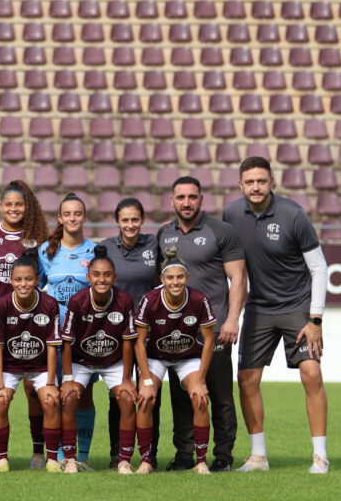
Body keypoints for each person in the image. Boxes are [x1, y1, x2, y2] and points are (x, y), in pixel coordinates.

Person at [223, 156, 329, 473]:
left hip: (298, 308)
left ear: (272, 182)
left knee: (311, 374)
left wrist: (316, 320)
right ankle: (258, 456)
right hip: (258, 308)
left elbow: (319, 268)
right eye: (250, 182)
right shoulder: (230, 214)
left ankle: (320, 456)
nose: (256, 187)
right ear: (240, 185)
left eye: (262, 180)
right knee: (246, 379)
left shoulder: (293, 215)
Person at [157, 177, 246, 472]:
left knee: (219, 395)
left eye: (191, 197)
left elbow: (238, 278)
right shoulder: (163, 234)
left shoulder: (221, 231)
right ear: (172, 201)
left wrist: (233, 319)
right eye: (180, 197)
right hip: (176, 335)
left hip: (215, 329)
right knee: (182, 398)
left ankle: (223, 456)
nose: (186, 202)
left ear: (201, 199)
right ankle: (184, 455)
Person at [0, 180, 50, 469]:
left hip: (32, 326)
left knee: (34, 391)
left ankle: (38, 453)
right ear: (1, 206)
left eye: (19, 204)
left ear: (26, 207)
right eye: (8, 204)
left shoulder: (39, 237)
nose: (14, 209)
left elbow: (44, 276)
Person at [134, 248, 217, 475]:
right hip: (155, 357)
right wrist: (146, 379)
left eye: (180, 277)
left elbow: (209, 340)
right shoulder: (149, 300)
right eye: (170, 277)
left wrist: (200, 380)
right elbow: (139, 342)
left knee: (200, 398)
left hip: (187, 357)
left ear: (187, 278)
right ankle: (146, 461)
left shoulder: (200, 299)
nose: (175, 282)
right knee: (145, 398)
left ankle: (201, 461)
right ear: (162, 279)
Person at [58, 246, 139, 474]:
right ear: (88, 277)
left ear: (114, 277)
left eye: (106, 275)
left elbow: (127, 342)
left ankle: (124, 460)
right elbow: (66, 342)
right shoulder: (77, 301)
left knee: (126, 398)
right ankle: (70, 459)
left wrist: (126, 379)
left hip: (113, 361)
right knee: (70, 396)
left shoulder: (124, 300)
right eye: (96, 275)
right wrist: (67, 379)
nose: (101, 279)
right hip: (81, 361)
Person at [99, 198, 161, 469]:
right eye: (125, 220)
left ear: (143, 219)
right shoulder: (106, 248)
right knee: (120, 396)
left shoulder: (155, 244)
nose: (130, 224)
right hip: (118, 334)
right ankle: (118, 454)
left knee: (149, 393)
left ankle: (150, 455)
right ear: (117, 221)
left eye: (135, 219)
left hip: (150, 334)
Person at [39, 193, 100, 469]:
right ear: (60, 218)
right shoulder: (45, 252)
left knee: (81, 394)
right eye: (67, 214)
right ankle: (60, 454)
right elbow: (35, 289)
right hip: (53, 336)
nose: (72, 218)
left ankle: (81, 456)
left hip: (84, 335)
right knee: (53, 393)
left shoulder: (96, 251)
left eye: (78, 213)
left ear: (84, 217)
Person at [0, 252, 61, 472]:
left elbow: (52, 346)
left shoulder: (49, 304)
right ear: (11, 281)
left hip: (39, 367)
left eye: (28, 279)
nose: (23, 284)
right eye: (18, 279)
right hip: (10, 366)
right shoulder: (1, 304)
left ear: (38, 280)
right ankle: (1, 459)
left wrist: (49, 383)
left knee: (50, 401)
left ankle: (51, 459)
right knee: (0, 401)